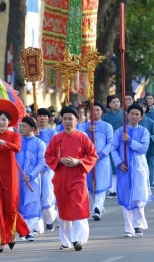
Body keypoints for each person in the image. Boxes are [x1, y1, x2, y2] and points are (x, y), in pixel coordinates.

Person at [44, 106, 98, 251]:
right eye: (65, 119)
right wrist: (59, 160)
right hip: (61, 179)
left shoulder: (82, 137)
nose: (68, 121)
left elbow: (92, 155)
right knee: (64, 210)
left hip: (78, 177)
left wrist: (78, 161)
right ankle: (66, 240)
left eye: (71, 119)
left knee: (79, 207)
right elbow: (48, 156)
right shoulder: (56, 138)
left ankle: (77, 239)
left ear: (77, 120)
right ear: (62, 120)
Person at [0, 100, 30, 253]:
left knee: (10, 208)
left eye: (4, 119)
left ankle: (11, 234)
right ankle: (0, 241)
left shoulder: (15, 136)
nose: (1, 122)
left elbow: (17, 148)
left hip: (10, 177)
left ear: (9, 122)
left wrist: (1, 142)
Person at [111, 103, 153, 237]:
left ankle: (138, 225)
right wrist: (118, 163)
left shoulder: (144, 132)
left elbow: (143, 149)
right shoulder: (119, 131)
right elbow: (113, 148)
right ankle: (128, 227)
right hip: (124, 167)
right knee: (126, 195)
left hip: (139, 167)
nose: (134, 116)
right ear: (127, 115)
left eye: (137, 114)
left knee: (139, 196)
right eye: (132, 114)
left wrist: (129, 140)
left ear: (141, 117)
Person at [78, 101, 113, 221]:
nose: (96, 112)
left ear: (102, 112)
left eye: (98, 110)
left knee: (101, 185)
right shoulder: (83, 126)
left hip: (102, 160)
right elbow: (78, 139)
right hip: (87, 160)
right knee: (91, 186)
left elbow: (110, 143)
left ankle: (97, 208)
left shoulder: (107, 126)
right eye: (93, 110)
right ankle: (97, 207)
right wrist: (87, 130)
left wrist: (100, 154)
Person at [16, 116, 47, 241]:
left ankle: (29, 230)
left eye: (24, 126)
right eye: (21, 126)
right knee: (20, 203)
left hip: (32, 179)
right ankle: (23, 229)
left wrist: (31, 175)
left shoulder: (39, 143)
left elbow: (42, 162)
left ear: (32, 128)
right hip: (18, 177)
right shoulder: (17, 141)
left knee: (32, 203)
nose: (21, 128)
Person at [35, 108, 58, 231]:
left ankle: (50, 219)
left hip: (48, 168)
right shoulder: (32, 133)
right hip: (34, 171)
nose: (42, 118)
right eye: (40, 116)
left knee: (47, 195)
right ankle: (37, 225)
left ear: (48, 118)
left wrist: (45, 166)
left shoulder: (53, 134)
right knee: (35, 196)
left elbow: (54, 153)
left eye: (45, 116)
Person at [101, 95, 124, 198]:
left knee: (120, 163)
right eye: (114, 102)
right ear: (109, 104)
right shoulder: (105, 117)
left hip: (121, 142)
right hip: (110, 143)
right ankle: (112, 190)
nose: (116, 103)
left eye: (118, 101)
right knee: (111, 165)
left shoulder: (125, 115)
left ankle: (120, 189)